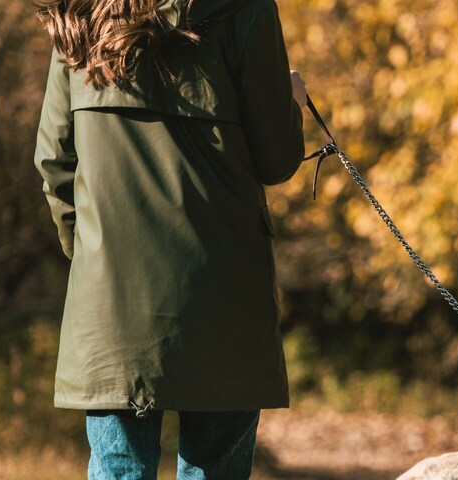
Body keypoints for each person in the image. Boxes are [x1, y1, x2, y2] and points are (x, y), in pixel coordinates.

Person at [30, 0, 310, 478]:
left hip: (111, 303)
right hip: (224, 299)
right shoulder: (249, 11)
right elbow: (277, 160)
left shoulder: (79, 13)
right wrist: (290, 100)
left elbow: (55, 160)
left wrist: (94, 260)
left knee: (119, 469)